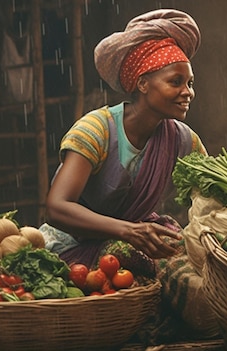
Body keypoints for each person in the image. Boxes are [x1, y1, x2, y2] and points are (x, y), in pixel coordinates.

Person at [39, 9, 207, 275]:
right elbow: (57, 208)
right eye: (175, 82)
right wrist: (128, 231)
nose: (187, 92)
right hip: (72, 246)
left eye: (190, 83)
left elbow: (210, 197)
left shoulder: (184, 140)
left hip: (137, 239)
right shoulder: (97, 130)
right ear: (142, 84)